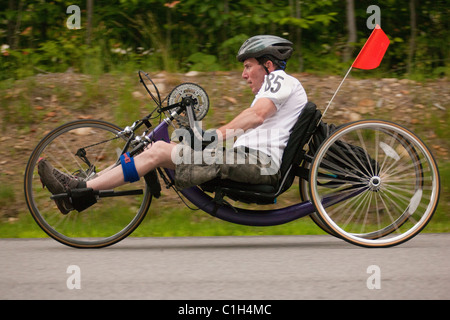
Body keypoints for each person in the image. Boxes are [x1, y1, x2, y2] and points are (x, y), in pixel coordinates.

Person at [38, 35, 308, 214]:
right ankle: (80, 186)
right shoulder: (273, 88)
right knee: (154, 149)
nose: (243, 74)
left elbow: (256, 116)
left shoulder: (279, 79)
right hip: (246, 160)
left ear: (269, 65)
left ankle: (79, 191)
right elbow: (254, 119)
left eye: (249, 66)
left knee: (156, 151)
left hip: (259, 164)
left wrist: (213, 136)